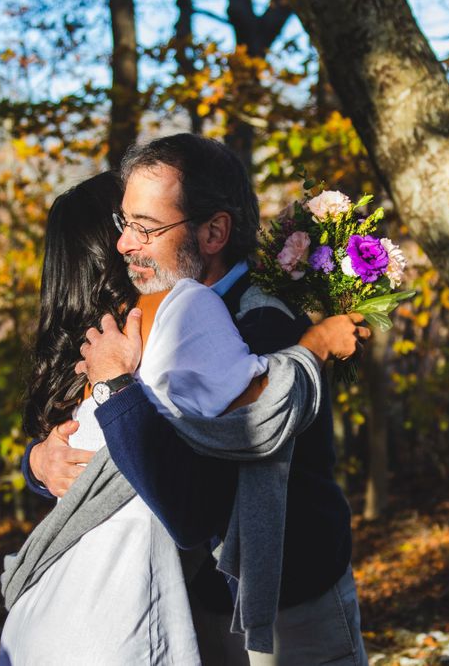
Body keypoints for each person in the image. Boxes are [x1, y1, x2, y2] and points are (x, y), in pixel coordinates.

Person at [25, 134, 368, 665]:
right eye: (124, 223)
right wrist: (39, 461)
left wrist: (313, 348)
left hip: (287, 604)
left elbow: (190, 478)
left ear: (213, 233)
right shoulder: (149, 316)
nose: (125, 244)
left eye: (146, 227)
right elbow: (95, 434)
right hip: (196, 601)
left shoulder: (263, 322)